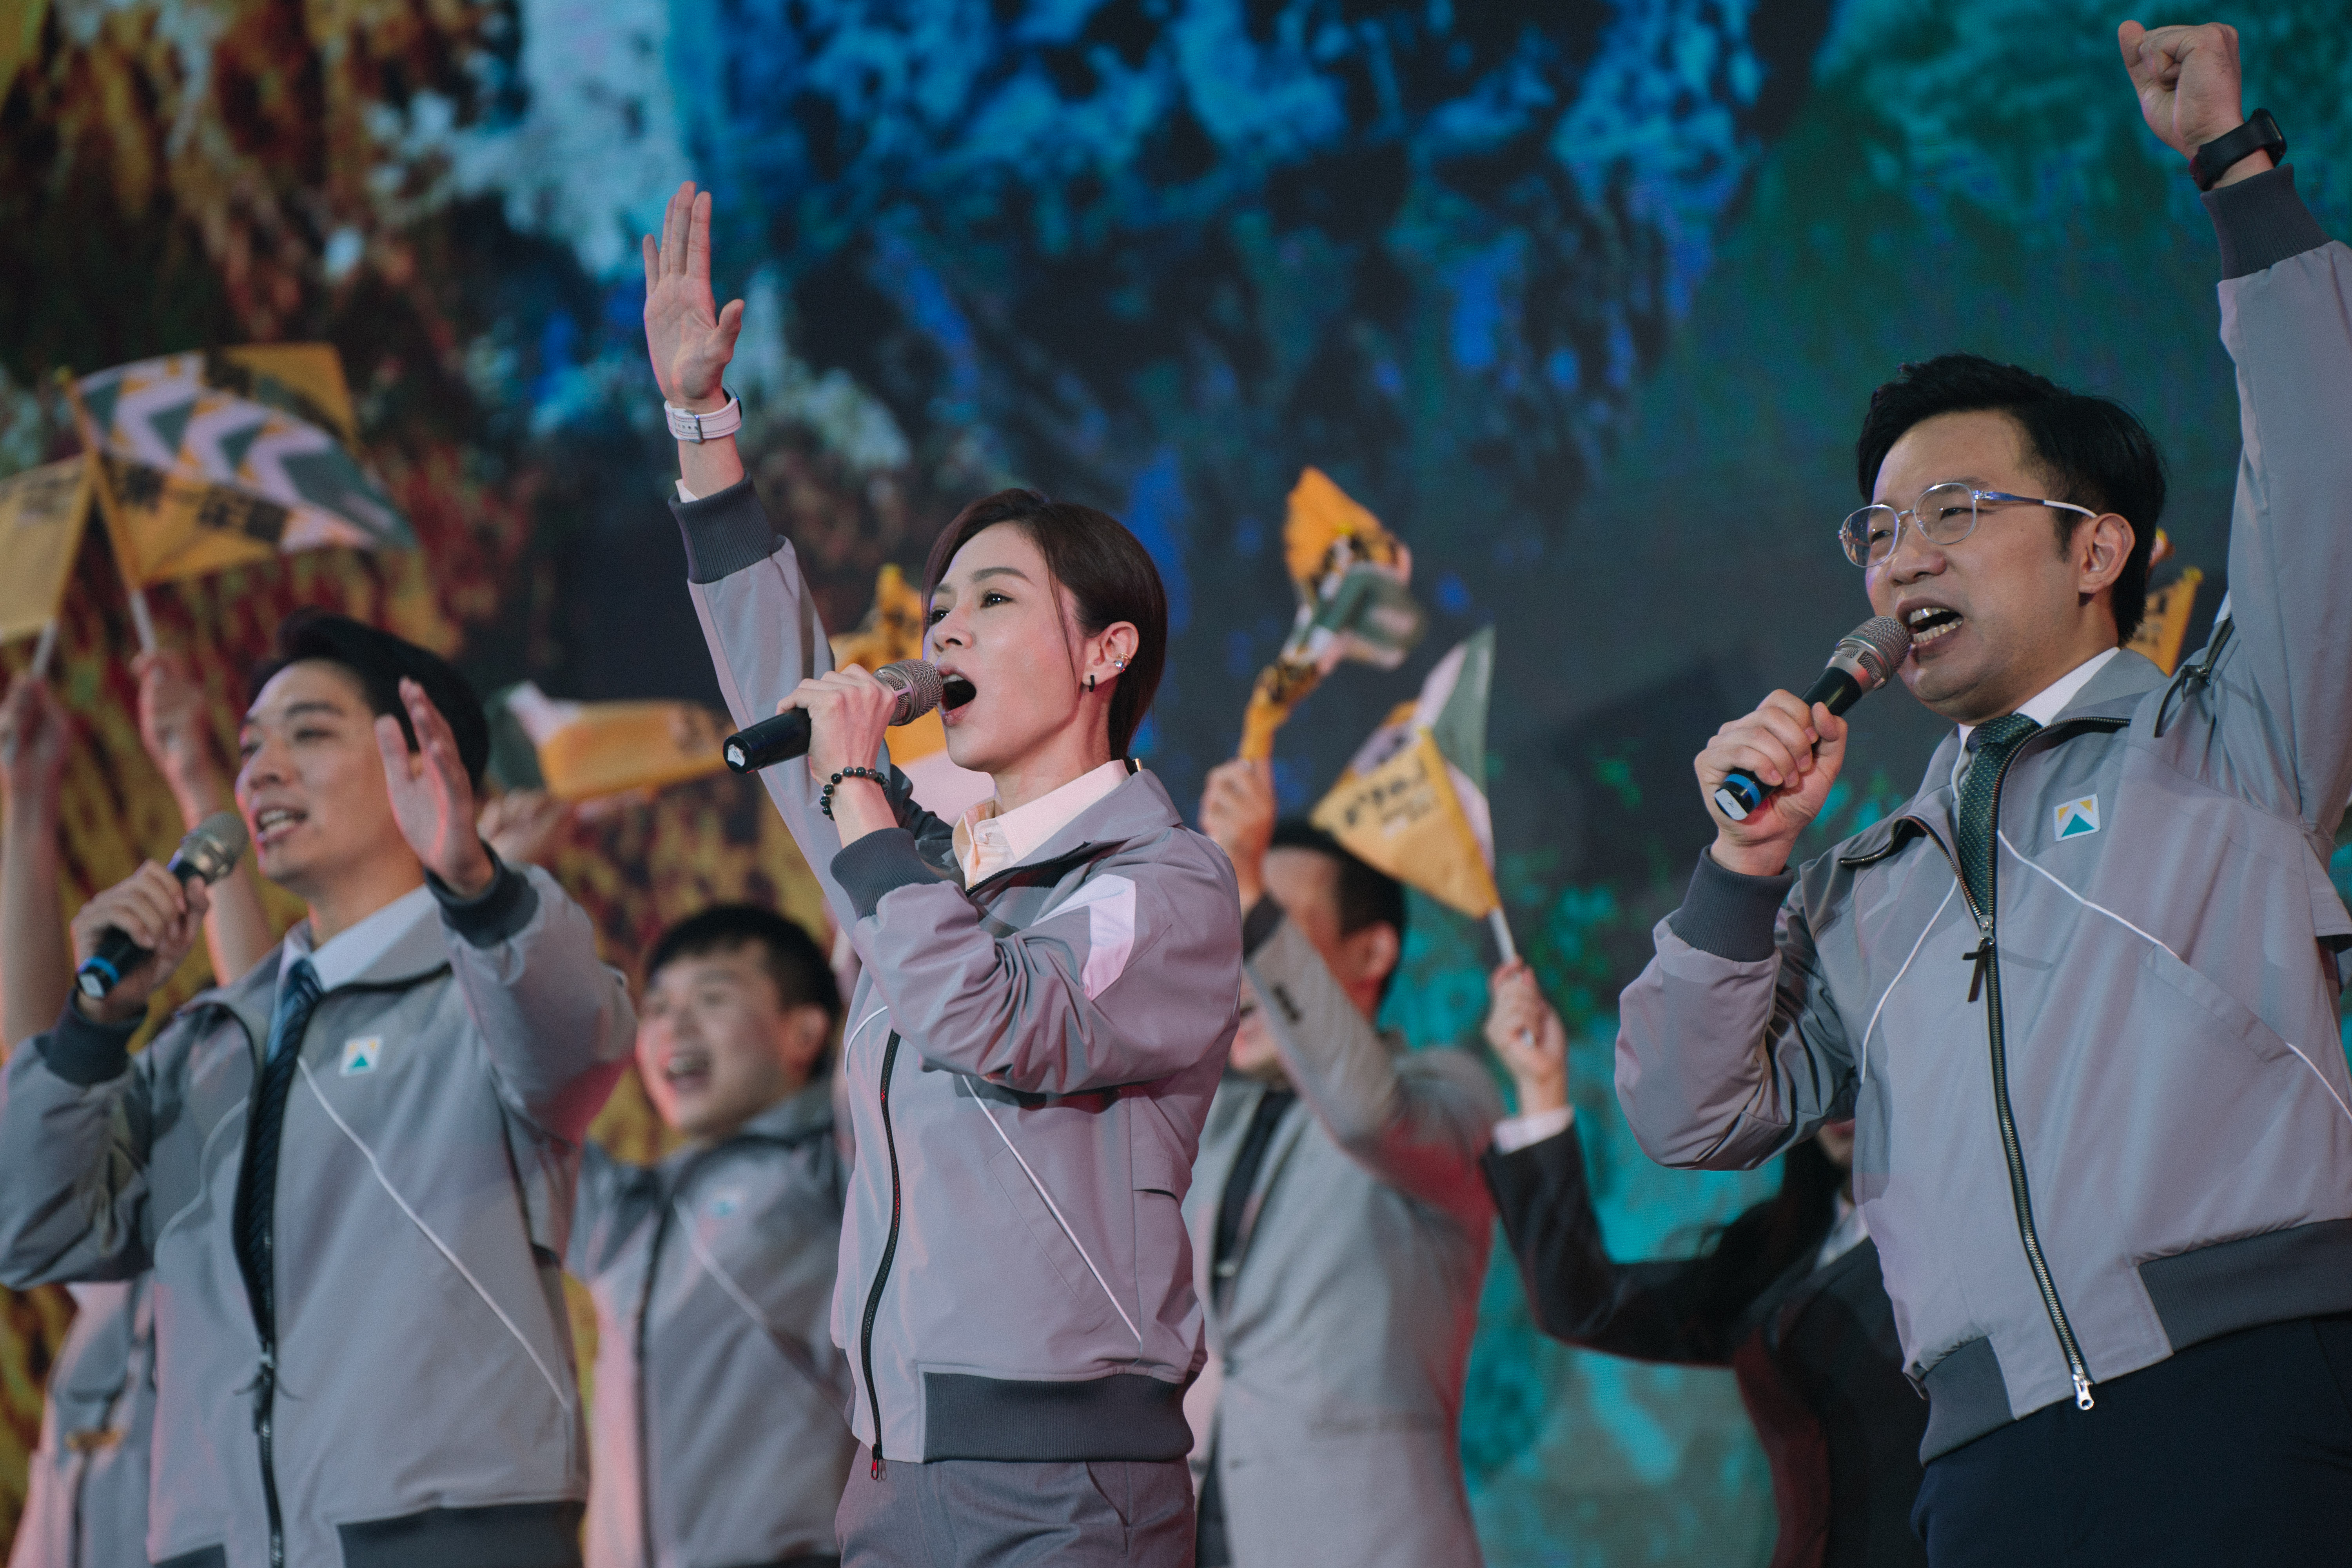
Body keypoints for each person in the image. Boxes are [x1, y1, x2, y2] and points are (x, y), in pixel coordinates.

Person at [1615, 20, 2352, 1563]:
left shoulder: (2233, 744)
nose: (1904, 560)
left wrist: (2235, 165)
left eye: (1958, 510)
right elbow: (1688, 1114)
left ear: (2099, 550)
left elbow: (2328, 475)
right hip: (1984, 1455)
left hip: (2260, 1394)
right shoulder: (1866, 882)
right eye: (1879, 533)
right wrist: (1744, 867)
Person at [642, 183, 1242, 1565]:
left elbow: (1001, 1020)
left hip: (1065, 1479)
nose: (944, 627)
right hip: (893, 1469)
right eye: (938, 606)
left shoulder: (1165, 880)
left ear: (1106, 654)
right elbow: (779, 672)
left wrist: (860, 796)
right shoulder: (931, 868)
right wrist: (702, 432)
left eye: (994, 600)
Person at [0, 610, 634, 1568]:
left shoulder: (489, 980)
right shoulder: (205, 1040)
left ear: (421, 760)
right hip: (226, 1542)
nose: (258, 771)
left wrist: (476, 880)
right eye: (250, 745)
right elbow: (30, 1230)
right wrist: (92, 1035)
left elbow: (576, 1039)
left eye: (308, 733)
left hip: (442, 1532)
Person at [1482, 962, 1923, 1568]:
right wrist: (1542, 1088)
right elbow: (1585, 1303)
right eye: (1816, 1043)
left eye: (1860, 1041)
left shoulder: (1965, 1230)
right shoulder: (1777, 1254)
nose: (1842, 1073)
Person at [3, 657, 283, 1568]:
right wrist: (28, 801)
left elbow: (265, 1026)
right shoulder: (115, 1269)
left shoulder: (247, 1244)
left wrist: (199, 776)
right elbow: (39, 1072)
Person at [1189, 761, 1499, 1568]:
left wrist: (1251, 893)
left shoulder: (1449, 1091)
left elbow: (1368, 1112)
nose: (1244, 963)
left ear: (1372, 950)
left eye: (1274, 923)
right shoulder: (1205, 1119)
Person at [565, 905, 856, 1568]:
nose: (675, 1027)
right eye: (659, 1006)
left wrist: (864, 954)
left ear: (805, 1031)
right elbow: (523, 1101)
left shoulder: (835, 1165)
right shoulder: (632, 1212)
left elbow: (880, 1050)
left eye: (713, 998)